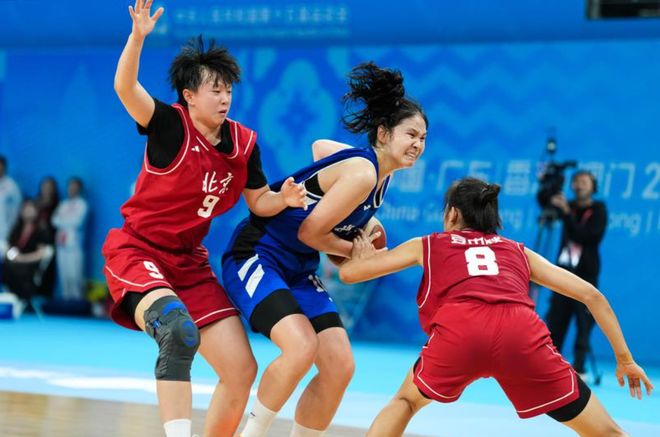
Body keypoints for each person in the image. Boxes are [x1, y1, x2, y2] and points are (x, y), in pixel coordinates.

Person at [102, 2, 306, 437]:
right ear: (189, 95)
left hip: (189, 264)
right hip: (138, 252)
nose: (224, 97)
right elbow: (125, 87)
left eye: (228, 88)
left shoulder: (244, 143)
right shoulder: (169, 126)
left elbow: (259, 202)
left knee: (241, 370)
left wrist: (283, 198)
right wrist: (137, 38)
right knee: (177, 332)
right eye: (214, 89)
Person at [339, 177, 653, 437]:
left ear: (452, 214)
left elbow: (350, 275)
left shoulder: (428, 244)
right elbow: (592, 296)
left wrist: (362, 255)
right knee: (607, 433)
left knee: (406, 401)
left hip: (461, 331)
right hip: (521, 333)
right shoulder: (518, 251)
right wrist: (625, 360)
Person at [222, 61, 427, 437]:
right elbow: (309, 233)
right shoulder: (363, 173)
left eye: (423, 138)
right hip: (258, 253)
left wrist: (358, 221)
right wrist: (356, 252)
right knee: (300, 348)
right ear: (383, 133)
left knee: (339, 366)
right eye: (411, 134)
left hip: (298, 267)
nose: (418, 144)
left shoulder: (377, 174)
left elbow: (320, 147)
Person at [546, 170, 607, 378]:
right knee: (556, 322)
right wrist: (548, 189)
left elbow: (588, 236)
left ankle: (579, 367)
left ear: (593, 186)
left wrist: (566, 214)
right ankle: (550, 365)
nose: (579, 185)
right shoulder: (567, 206)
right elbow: (545, 206)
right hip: (562, 274)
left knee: (584, 323)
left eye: (584, 181)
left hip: (585, 275)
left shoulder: (598, 210)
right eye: (576, 181)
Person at [3, 199, 54, 303]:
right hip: (15, 261)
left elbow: (41, 253)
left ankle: (21, 299)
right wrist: (13, 256)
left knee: (15, 268)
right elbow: (9, 248)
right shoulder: (16, 229)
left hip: (32, 264)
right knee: (5, 265)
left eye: (30, 208)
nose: (27, 211)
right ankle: (11, 297)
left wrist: (22, 259)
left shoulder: (41, 229)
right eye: (25, 208)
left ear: (36, 211)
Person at [51, 177, 88, 301]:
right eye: (70, 186)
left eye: (75, 187)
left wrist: (63, 220)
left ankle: (77, 302)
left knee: (74, 275)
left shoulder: (82, 204)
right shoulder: (63, 204)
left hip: (74, 245)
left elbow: (77, 222)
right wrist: (66, 221)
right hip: (61, 244)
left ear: (79, 189)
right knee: (64, 275)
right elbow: (54, 220)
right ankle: (66, 302)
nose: (72, 189)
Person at [34, 176, 60, 296]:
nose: (47, 189)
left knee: (48, 269)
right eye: (45, 186)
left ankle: (46, 295)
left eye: (50, 187)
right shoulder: (35, 203)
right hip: (35, 240)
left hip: (50, 241)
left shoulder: (58, 205)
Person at [0, 156, 22, 252]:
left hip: (5, 230)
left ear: (5, 168)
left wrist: (12, 228)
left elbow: (18, 207)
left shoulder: (11, 186)